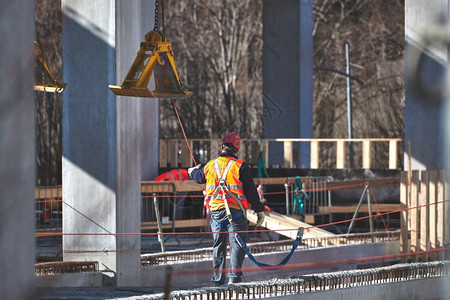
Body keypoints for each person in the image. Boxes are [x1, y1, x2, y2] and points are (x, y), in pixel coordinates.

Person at [188, 132, 265, 285]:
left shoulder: (211, 165)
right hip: (236, 212)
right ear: (237, 149)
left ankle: (217, 280)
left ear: (221, 146)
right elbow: (250, 190)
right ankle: (234, 280)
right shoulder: (240, 166)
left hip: (216, 213)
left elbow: (198, 177)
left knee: (218, 245)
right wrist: (259, 210)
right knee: (237, 245)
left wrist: (192, 171)